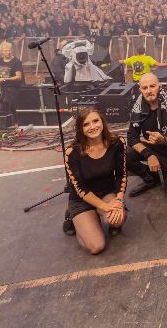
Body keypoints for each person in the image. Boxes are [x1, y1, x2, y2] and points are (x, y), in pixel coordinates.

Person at [63, 108, 128, 254]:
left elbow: (121, 175)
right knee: (96, 247)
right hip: (82, 199)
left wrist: (119, 201)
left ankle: (96, 218)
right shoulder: (72, 152)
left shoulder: (117, 143)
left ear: (102, 122)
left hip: (107, 192)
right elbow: (80, 189)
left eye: (95, 121)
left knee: (118, 219)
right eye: (86, 124)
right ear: (80, 129)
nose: (92, 127)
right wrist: (105, 207)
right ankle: (75, 219)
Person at [125, 73, 167, 197]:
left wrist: (163, 139)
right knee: (124, 155)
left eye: (152, 86)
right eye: (145, 88)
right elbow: (132, 137)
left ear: (159, 86)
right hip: (152, 149)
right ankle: (151, 178)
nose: (149, 91)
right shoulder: (138, 107)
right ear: (140, 89)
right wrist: (149, 155)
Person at [0, 41, 24, 119]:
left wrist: (4, 79)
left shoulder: (16, 62)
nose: (8, 52)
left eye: (9, 50)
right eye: (6, 51)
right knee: (9, 106)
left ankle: (8, 122)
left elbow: (18, 77)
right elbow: (0, 74)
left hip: (13, 87)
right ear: (1, 52)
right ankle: (13, 122)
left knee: (5, 104)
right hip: (3, 86)